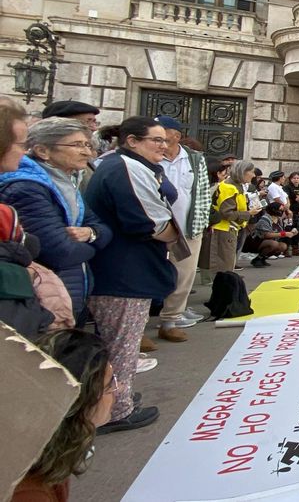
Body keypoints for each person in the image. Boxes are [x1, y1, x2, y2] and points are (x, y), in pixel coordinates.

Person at [84, 116, 178, 434]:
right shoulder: (124, 168)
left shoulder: (123, 165)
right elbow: (146, 221)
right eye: (156, 140)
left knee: (117, 342)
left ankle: (112, 397)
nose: (163, 147)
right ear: (132, 141)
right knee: (121, 345)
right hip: (122, 273)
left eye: (165, 141)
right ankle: (117, 409)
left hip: (123, 269)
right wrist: (170, 233)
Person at [0, 118, 112, 322]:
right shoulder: (27, 188)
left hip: (68, 289)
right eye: (77, 145)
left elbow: (102, 227)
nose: (87, 152)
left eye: (88, 145)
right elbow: (60, 251)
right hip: (44, 298)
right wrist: (94, 248)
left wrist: (91, 234)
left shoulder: (64, 182)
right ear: (43, 151)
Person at [11, 329, 114, 501]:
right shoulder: (30, 493)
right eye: (110, 385)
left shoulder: (49, 448)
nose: (121, 389)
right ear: (80, 402)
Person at [152, 116, 209, 342]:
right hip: (155, 227)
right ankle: (139, 324)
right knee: (149, 272)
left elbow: (202, 193)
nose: (159, 140)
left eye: (162, 133)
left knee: (184, 274)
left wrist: (200, 224)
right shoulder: (149, 158)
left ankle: (170, 320)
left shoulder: (194, 159)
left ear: (175, 135)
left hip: (187, 226)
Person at [210, 160, 256, 273]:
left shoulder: (233, 186)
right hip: (225, 229)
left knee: (227, 263)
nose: (254, 175)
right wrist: (248, 214)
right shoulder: (230, 188)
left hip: (228, 229)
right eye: (252, 172)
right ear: (243, 172)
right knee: (225, 264)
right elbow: (227, 213)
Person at [245, 202, 297, 268]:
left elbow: (283, 230)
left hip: (268, 242)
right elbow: (266, 235)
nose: (282, 211)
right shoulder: (265, 219)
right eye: (280, 209)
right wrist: (284, 234)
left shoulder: (279, 219)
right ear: (274, 209)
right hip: (255, 241)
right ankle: (257, 259)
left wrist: (292, 231)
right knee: (274, 244)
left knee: (283, 246)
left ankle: (262, 258)